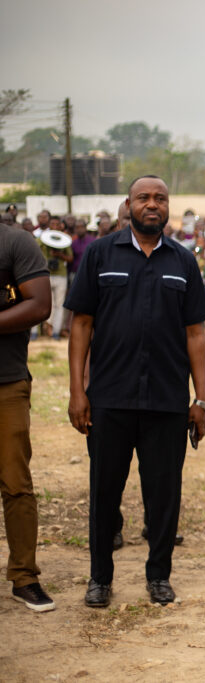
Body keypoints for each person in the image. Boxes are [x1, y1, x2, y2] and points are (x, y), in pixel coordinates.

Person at [65, 175, 205, 609]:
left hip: (167, 400)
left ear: (169, 206)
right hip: (109, 397)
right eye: (144, 198)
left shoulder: (184, 262)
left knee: (164, 493)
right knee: (104, 492)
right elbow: (81, 326)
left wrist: (201, 399)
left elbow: (195, 334)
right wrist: (78, 391)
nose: (152, 204)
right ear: (127, 204)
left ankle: (159, 575)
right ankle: (99, 578)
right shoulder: (99, 254)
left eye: (160, 198)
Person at [1, 217, 55, 611]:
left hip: (6, 382)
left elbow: (39, 304)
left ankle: (24, 576)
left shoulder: (15, 242)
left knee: (16, 481)